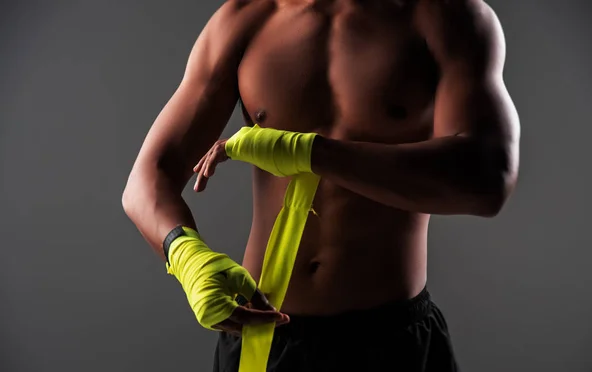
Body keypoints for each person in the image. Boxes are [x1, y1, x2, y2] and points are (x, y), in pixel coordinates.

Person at [122, 0, 520, 371]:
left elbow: (488, 177)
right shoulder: (246, 19)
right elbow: (145, 181)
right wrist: (188, 256)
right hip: (264, 336)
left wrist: (309, 152)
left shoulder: (446, 18)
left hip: (390, 342)